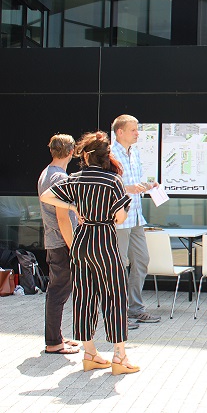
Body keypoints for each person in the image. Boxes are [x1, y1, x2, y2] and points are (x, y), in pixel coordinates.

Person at [40, 131, 139, 375]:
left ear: (86, 155)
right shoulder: (113, 180)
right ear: (107, 155)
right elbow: (120, 217)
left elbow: (46, 196)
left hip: (81, 240)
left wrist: (75, 205)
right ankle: (119, 356)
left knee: (85, 296)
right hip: (104, 239)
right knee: (114, 296)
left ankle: (91, 353)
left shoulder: (75, 177)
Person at [111, 114, 160, 328]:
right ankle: (117, 314)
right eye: (133, 130)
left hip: (136, 217)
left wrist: (147, 186)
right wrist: (127, 189)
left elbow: (134, 182)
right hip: (120, 219)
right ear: (120, 132)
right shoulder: (109, 154)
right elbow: (106, 185)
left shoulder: (135, 152)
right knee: (119, 265)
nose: (137, 133)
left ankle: (135, 308)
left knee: (141, 260)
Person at [38, 134, 80, 355]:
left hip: (52, 241)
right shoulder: (61, 179)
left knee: (56, 290)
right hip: (61, 242)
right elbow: (63, 218)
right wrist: (73, 246)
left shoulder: (47, 173)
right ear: (71, 152)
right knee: (58, 292)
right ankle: (54, 342)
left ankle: (57, 337)